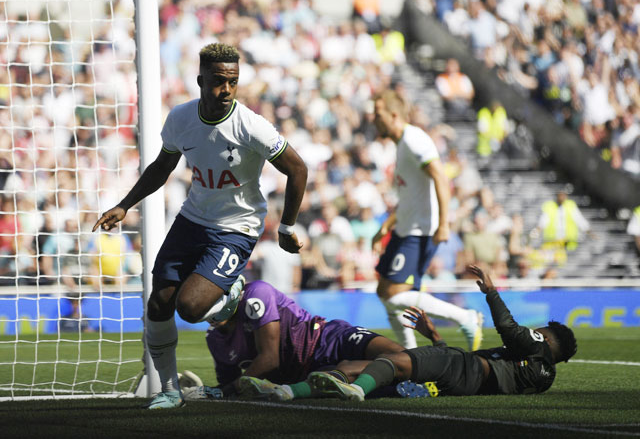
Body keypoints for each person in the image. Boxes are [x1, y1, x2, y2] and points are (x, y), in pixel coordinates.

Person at [92, 43, 308, 409]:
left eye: (233, 82)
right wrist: (124, 205)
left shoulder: (251, 126)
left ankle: (232, 291)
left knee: (190, 308)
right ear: (200, 80)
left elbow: (298, 168)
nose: (225, 91)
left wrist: (286, 227)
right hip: (193, 219)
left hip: (236, 227)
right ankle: (170, 390)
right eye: (218, 82)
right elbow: (162, 167)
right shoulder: (180, 118)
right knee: (159, 305)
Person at [305, 265, 577, 401]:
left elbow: (509, 329)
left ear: (549, 338)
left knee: (386, 363)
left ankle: (344, 391)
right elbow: (476, 369)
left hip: (462, 368)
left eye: (540, 331)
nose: (535, 331)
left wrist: (491, 292)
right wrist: (436, 338)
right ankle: (300, 391)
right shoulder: (543, 377)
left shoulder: (538, 348)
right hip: (461, 378)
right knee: (362, 370)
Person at [370, 90, 483, 351]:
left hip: (420, 232)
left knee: (394, 294)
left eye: (378, 114)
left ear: (394, 115)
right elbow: (409, 196)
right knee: (384, 292)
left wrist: (444, 223)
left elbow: (441, 178)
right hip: (404, 229)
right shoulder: (401, 144)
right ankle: (412, 355)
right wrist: (385, 227)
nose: (373, 119)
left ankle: (465, 317)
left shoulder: (413, 140)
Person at [182, 279, 404, 401]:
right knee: (373, 385)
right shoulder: (215, 338)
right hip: (305, 374)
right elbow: (231, 386)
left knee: (401, 356)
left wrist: (220, 391)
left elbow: (269, 360)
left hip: (327, 339)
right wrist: (217, 392)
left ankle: (434, 359)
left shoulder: (256, 293)